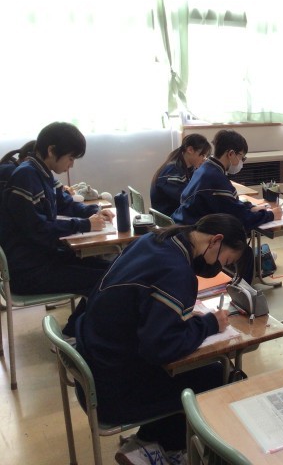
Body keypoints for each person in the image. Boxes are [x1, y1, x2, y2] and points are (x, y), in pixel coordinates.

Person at [76, 213, 247, 464]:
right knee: (220, 374)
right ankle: (170, 449)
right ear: (216, 240)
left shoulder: (153, 240)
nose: (220, 267)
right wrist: (210, 324)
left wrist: (178, 319)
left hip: (93, 369)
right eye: (226, 260)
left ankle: (146, 444)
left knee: (196, 370)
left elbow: (142, 309)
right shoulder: (177, 271)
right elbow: (162, 348)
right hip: (113, 393)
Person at [0, 122, 114, 335]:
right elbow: (38, 229)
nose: (71, 165)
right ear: (51, 150)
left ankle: (76, 330)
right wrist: (85, 224)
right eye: (70, 158)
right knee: (107, 278)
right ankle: (75, 333)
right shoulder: (26, 176)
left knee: (114, 268)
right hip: (30, 270)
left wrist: (94, 211)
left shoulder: (40, 172)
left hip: (44, 258)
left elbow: (65, 202)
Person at [173, 129, 282, 226]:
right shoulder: (217, 178)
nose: (241, 162)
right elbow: (241, 219)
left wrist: (251, 208)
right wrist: (271, 215)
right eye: (242, 158)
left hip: (182, 224)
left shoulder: (205, 168)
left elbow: (230, 204)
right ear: (231, 154)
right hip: (192, 232)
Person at [150, 133, 212, 217]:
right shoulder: (172, 171)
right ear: (190, 150)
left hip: (176, 214)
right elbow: (187, 198)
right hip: (170, 218)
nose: (204, 159)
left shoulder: (188, 167)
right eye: (202, 155)